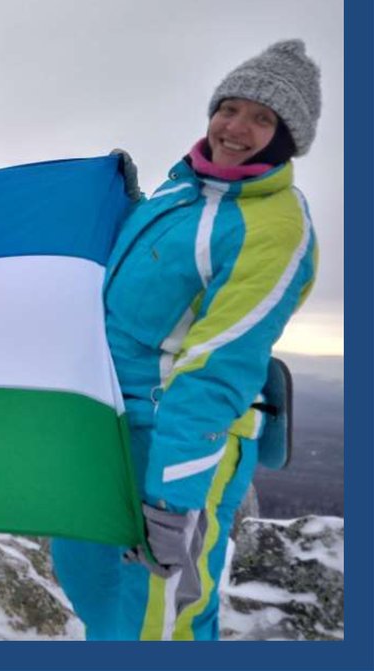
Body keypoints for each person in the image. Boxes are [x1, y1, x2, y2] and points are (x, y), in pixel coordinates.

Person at [53, 40, 321, 640]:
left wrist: (174, 499)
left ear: (286, 139)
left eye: (262, 118)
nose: (236, 128)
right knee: (95, 592)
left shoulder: (273, 228)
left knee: (156, 622)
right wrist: (118, 204)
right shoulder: (183, 190)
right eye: (230, 108)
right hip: (107, 427)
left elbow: (217, 369)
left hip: (173, 444)